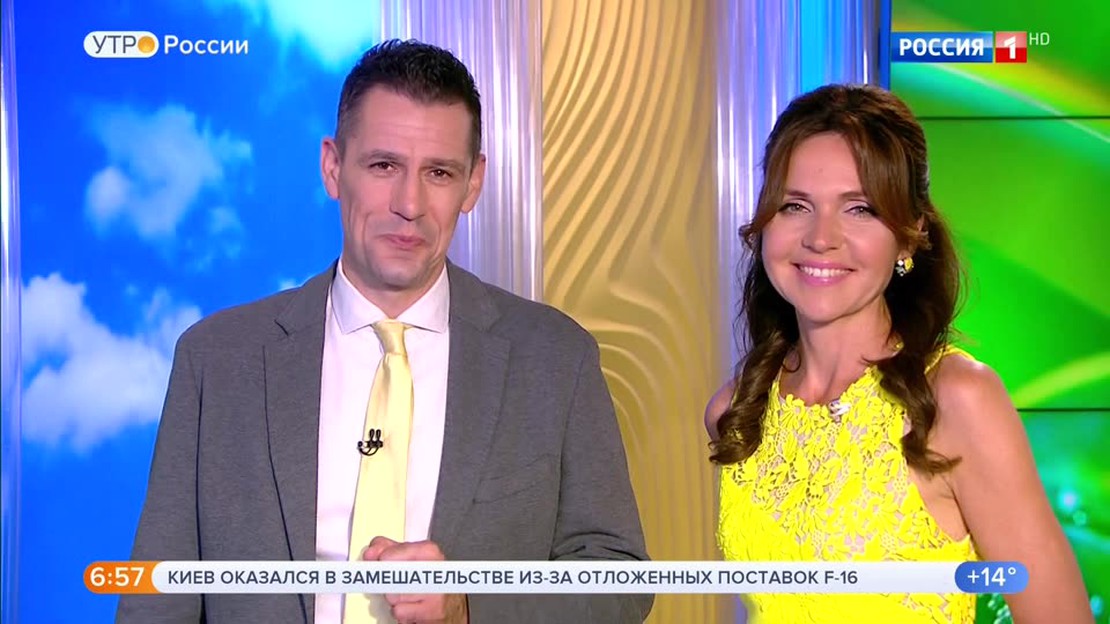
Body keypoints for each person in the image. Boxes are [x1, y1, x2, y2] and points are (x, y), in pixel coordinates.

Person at [118, 39, 651, 624]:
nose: (409, 203)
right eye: (383, 166)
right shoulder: (217, 361)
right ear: (332, 167)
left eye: (439, 172)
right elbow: (157, 600)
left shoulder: (554, 359)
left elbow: (619, 580)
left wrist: (470, 604)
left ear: (473, 184)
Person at [705, 84, 1091, 623]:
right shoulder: (738, 411)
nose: (821, 238)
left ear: (908, 237)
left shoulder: (956, 400)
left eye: (860, 209)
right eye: (795, 206)